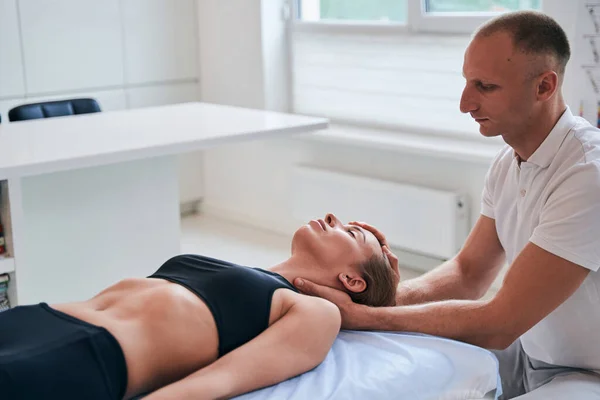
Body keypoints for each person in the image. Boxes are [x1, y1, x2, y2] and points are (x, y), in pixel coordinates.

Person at [293, 10, 600, 400]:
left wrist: (367, 317)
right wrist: (380, 298)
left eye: (485, 86)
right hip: (529, 348)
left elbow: (501, 321)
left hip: (589, 371)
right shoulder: (508, 163)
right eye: (467, 82)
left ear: (544, 86)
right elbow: (468, 272)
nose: (465, 103)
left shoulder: (588, 175)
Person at [0, 213, 399, 400]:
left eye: (352, 232)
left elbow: (220, 381)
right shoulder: (245, 268)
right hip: (35, 319)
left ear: (352, 281)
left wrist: (386, 294)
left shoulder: (316, 312)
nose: (331, 216)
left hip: (84, 354)